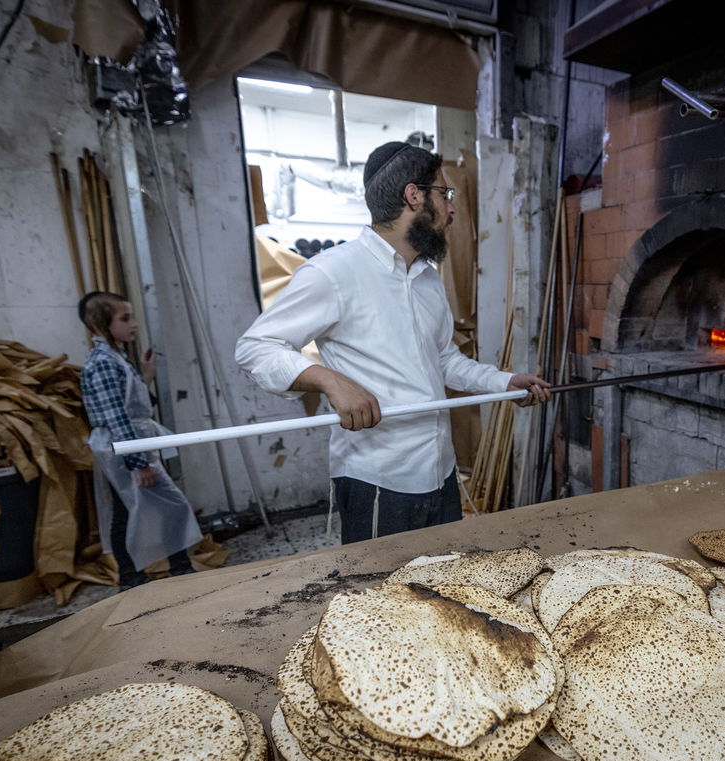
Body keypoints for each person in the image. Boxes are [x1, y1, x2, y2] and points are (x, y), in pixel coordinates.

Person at [235, 142, 551, 544]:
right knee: (381, 601)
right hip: (379, 480)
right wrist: (330, 381)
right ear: (414, 195)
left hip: (439, 471)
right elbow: (256, 347)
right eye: (445, 194)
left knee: (441, 589)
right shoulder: (333, 272)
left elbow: (443, 360)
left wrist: (504, 383)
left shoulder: (426, 277)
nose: (452, 208)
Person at [78, 292, 202, 588]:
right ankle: (160, 571)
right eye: (125, 318)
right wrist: (137, 462)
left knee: (130, 509)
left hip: (128, 444)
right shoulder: (103, 363)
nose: (134, 324)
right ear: (99, 323)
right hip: (122, 448)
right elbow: (116, 416)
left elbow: (128, 403)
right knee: (169, 505)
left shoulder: (116, 358)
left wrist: (145, 376)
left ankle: (141, 574)